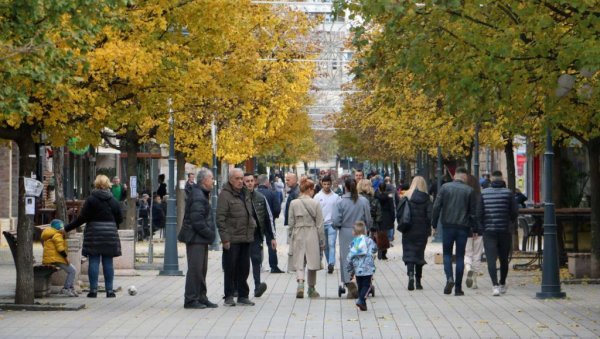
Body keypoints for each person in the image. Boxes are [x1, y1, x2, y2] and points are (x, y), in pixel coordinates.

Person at [65, 174, 123, 298]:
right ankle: (110, 291)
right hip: (110, 233)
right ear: (108, 184)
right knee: (108, 262)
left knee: (94, 261)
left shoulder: (91, 200)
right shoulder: (113, 200)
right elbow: (120, 218)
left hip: (94, 233)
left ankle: (93, 291)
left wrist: (67, 228)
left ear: (96, 184)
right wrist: (112, 226)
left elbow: (82, 218)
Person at [432, 167, 477, 296]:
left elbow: (436, 206)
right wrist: (475, 228)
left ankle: (449, 279)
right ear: (465, 177)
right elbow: (473, 213)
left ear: (454, 176)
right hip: (463, 227)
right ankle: (458, 288)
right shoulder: (470, 190)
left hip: (447, 226)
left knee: (446, 254)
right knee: (460, 256)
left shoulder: (445, 188)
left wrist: (434, 224)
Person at [178, 168, 218, 309]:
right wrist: (210, 234)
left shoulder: (201, 194)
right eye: (211, 178)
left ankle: (201, 297)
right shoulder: (198, 196)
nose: (213, 181)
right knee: (195, 269)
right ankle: (191, 299)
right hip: (195, 238)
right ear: (204, 180)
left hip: (199, 238)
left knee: (201, 269)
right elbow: (197, 220)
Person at [216, 168, 256, 306]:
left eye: (241, 178)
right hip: (232, 239)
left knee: (244, 268)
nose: (240, 181)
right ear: (231, 180)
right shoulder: (225, 196)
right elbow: (220, 219)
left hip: (245, 237)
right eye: (237, 179)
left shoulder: (245, 193)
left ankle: (243, 295)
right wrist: (225, 239)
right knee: (230, 268)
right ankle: (229, 296)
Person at [478, 170, 519, 296]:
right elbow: (514, 212)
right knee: (503, 259)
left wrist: (482, 227)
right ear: (502, 179)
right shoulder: (508, 193)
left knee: (491, 259)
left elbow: (479, 213)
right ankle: (502, 283)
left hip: (489, 231)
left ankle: (494, 285)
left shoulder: (484, 193)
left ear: (491, 179)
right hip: (504, 231)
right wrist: (510, 223)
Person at [332, 178, 372, 299]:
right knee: (361, 258)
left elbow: (335, 220)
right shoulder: (363, 201)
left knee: (346, 259)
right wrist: (368, 228)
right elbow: (368, 218)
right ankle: (362, 282)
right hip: (360, 230)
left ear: (346, 187)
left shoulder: (340, 202)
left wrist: (338, 226)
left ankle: (349, 283)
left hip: (345, 232)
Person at [288, 177, 324, 298]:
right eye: (312, 189)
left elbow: (290, 223)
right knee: (312, 261)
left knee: (299, 260)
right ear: (309, 189)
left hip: (298, 232)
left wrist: (289, 239)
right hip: (312, 233)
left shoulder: (294, 203)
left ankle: (300, 284)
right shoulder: (315, 203)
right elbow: (320, 224)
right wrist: (322, 241)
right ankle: (311, 288)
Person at [243, 173, 277, 297]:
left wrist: (272, 237)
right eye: (247, 181)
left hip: (256, 235)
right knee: (242, 262)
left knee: (256, 260)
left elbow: (268, 218)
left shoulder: (260, 197)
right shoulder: (239, 197)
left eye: (252, 180)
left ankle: (257, 286)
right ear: (243, 182)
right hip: (241, 235)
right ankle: (239, 287)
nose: (250, 183)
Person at [400, 176, 432, 291]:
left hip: (408, 229)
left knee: (409, 254)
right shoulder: (427, 198)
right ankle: (418, 282)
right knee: (419, 255)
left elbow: (400, 214)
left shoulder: (406, 197)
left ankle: (410, 276)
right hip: (421, 231)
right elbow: (429, 217)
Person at [42, 219, 78, 297]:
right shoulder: (57, 234)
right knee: (72, 270)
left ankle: (70, 288)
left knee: (72, 270)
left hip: (51, 258)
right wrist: (66, 258)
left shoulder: (50, 233)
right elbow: (60, 249)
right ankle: (66, 288)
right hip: (55, 259)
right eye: (62, 227)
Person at [346, 221, 377, 311]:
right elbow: (374, 249)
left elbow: (349, 257)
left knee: (360, 285)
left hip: (357, 269)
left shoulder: (353, 243)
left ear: (354, 232)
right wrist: (371, 254)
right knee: (367, 285)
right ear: (365, 231)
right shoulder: (369, 241)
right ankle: (361, 300)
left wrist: (350, 270)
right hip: (368, 268)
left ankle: (363, 303)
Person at [256, 174, 284, 273]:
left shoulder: (254, 193)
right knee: (271, 243)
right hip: (269, 222)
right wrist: (274, 216)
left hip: (257, 223)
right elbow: (277, 208)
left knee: (258, 244)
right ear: (266, 182)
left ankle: (257, 265)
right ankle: (273, 266)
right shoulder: (272, 193)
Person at [314, 175, 341, 274]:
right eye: (324, 184)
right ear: (321, 183)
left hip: (332, 224)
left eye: (328, 184)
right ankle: (330, 261)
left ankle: (331, 263)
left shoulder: (336, 197)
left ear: (331, 184)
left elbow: (339, 210)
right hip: (321, 224)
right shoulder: (317, 196)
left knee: (332, 244)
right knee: (325, 246)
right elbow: (314, 211)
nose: (326, 186)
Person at [464, 174, 483, 290]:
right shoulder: (480, 197)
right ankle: (474, 281)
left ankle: (468, 269)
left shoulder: (464, 196)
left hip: (466, 229)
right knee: (477, 255)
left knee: (467, 253)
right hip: (479, 230)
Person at [357, 179, 382, 257]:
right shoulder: (375, 199)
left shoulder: (356, 200)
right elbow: (379, 214)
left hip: (358, 227)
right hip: (371, 227)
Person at [375, 183, 395, 259]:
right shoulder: (389, 197)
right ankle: (384, 252)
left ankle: (380, 251)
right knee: (385, 236)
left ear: (379, 189)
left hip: (379, 216)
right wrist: (392, 219)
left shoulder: (376, 197)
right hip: (387, 217)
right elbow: (392, 209)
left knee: (379, 235)